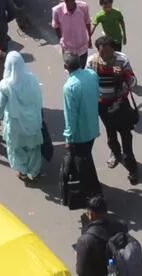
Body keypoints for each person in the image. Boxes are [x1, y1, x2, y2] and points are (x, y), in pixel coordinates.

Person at [89, 35, 139, 184]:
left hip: (120, 104)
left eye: (109, 52)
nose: (106, 56)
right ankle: (115, 153)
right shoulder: (92, 62)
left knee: (126, 135)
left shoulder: (122, 60)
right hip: (102, 105)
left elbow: (134, 82)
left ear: (114, 50)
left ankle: (132, 167)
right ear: (98, 50)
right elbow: (87, 82)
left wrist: (123, 75)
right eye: (102, 52)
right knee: (110, 133)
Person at [0, 51, 48, 184]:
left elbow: (0, 105)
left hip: (15, 124)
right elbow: (38, 99)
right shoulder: (32, 79)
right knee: (34, 148)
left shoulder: (5, 85)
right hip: (32, 121)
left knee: (16, 148)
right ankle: (35, 172)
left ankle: (22, 172)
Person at [61, 51, 103, 201]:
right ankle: (93, 191)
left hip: (79, 134)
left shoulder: (69, 87)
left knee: (84, 165)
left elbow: (70, 116)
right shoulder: (91, 75)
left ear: (66, 66)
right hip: (92, 127)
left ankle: (94, 194)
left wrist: (69, 138)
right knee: (86, 159)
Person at [72, 195, 128, 276]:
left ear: (91, 215)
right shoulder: (121, 227)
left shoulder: (85, 240)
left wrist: (78, 255)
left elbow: (81, 271)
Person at [52, 0, 94, 64]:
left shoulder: (83, 7)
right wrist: (61, 40)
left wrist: (90, 39)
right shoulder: (56, 11)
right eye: (67, 0)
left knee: (82, 68)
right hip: (68, 48)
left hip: (82, 45)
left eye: (71, 0)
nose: (69, 3)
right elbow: (56, 26)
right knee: (70, 69)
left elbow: (87, 22)